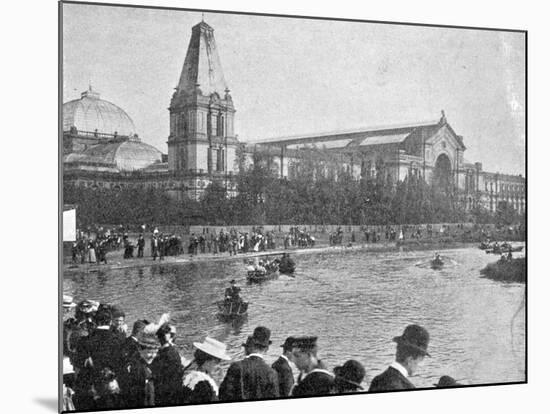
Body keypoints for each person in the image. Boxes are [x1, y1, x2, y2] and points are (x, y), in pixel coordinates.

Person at [219, 326, 279, 401]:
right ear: (266, 349)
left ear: (251, 345)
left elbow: (224, 394)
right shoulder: (272, 373)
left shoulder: (236, 366)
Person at [368, 324, 430, 392]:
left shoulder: (377, 379)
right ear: (410, 360)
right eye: (419, 361)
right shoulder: (406, 388)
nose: (420, 365)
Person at [182, 337, 232, 404]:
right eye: (217, 362)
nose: (219, 366)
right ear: (207, 361)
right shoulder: (203, 384)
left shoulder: (190, 373)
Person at [120, 330, 159, 408]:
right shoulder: (137, 370)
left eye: (155, 352)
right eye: (149, 352)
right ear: (140, 351)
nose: (152, 355)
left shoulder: (147, 366)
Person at [150, 323, 184, 406]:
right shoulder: (173, 352)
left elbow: (156, 373)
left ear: (158, 339)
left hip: (164, 393)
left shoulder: (161, 355)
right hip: (175, 390)